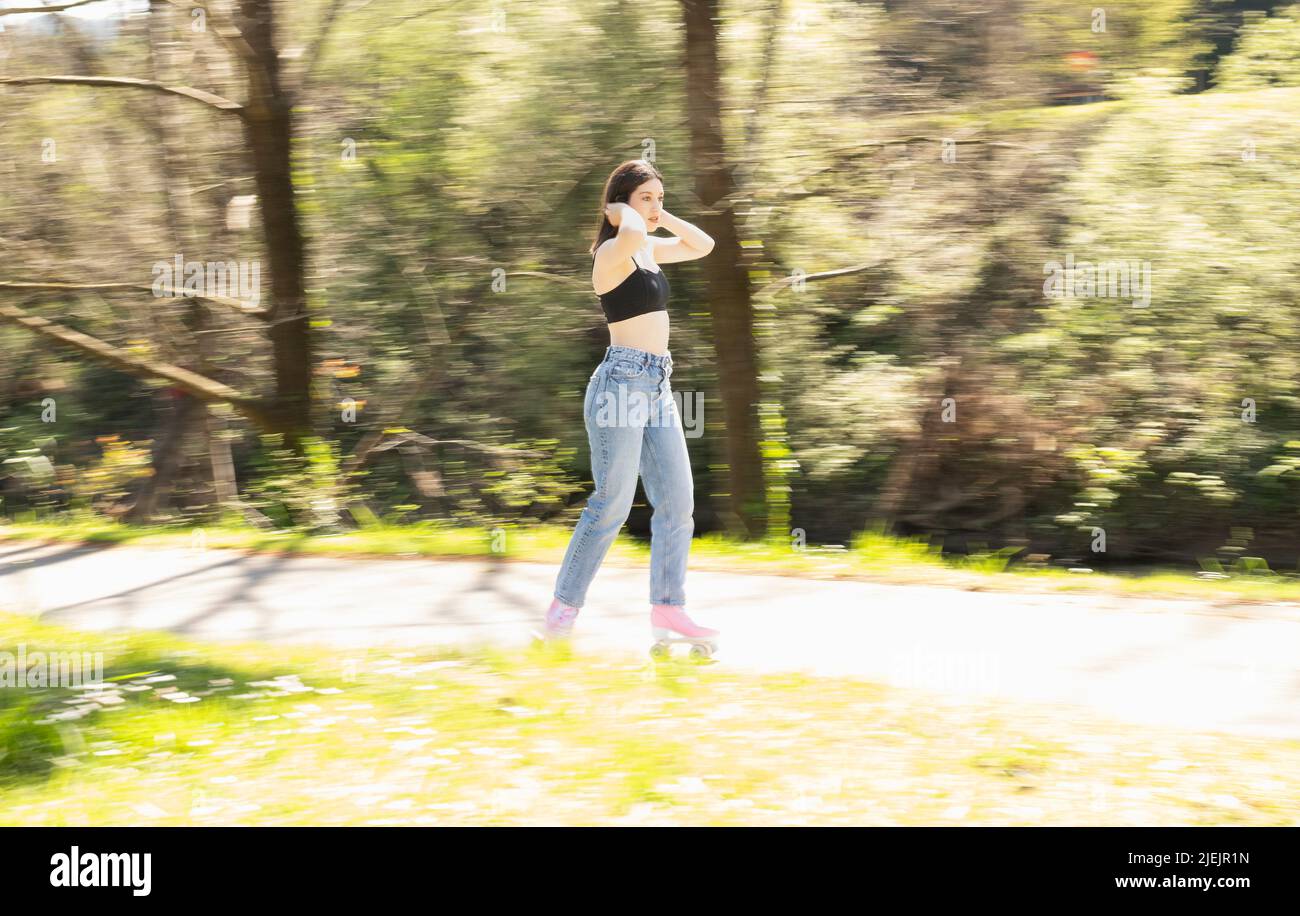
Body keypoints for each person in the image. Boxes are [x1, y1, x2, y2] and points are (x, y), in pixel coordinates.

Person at [540, 159, 720, 649]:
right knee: (611, 505)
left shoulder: (647, 251)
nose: (655, 207)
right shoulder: (611, 253)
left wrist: (661, 211)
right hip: (619, 385)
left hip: (657, 385)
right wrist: (623, 210)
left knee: (678, 501)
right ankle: (561, 614)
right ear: (620, 205)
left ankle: (668, 610)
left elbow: (704, 245)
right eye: (647, 198)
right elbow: (632, 230)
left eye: (661, 197)